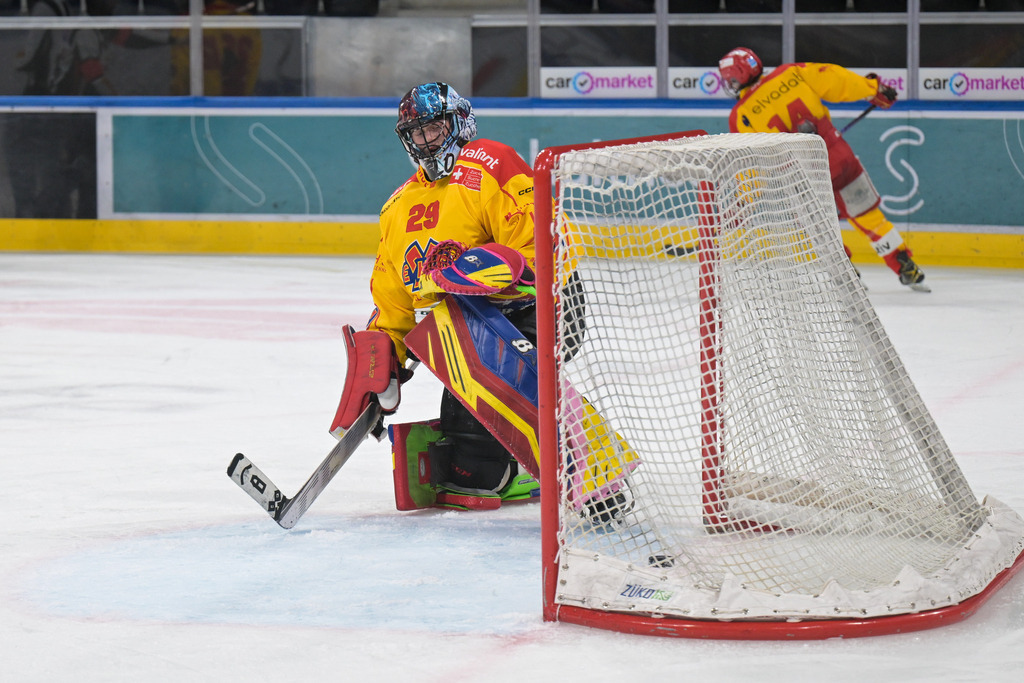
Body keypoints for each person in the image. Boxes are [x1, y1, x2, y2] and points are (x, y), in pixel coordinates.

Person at [330, 82, 541, 509]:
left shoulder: (490, 163)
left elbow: (538, 252)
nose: (426, 141)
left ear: (460, 122)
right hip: (461, 335)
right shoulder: (396, 208)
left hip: (539, 309)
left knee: (475, 454)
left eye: (435, 128)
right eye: (417, 134)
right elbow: (395, 301)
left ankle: (530, 459)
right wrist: (380, 359)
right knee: (470, 469)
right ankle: (505, 465)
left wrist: (487, 270)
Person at [718, 47, 929, 292]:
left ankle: (848, 277)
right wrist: (873, 89)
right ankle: (904, 263)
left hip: (803, 173)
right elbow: (836, 79)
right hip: (839, 153)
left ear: (737, 77)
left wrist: (744, 200)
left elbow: (752, 164)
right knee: (868, 216)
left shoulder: (741, 114)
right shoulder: (790, 73)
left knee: (821, 229)